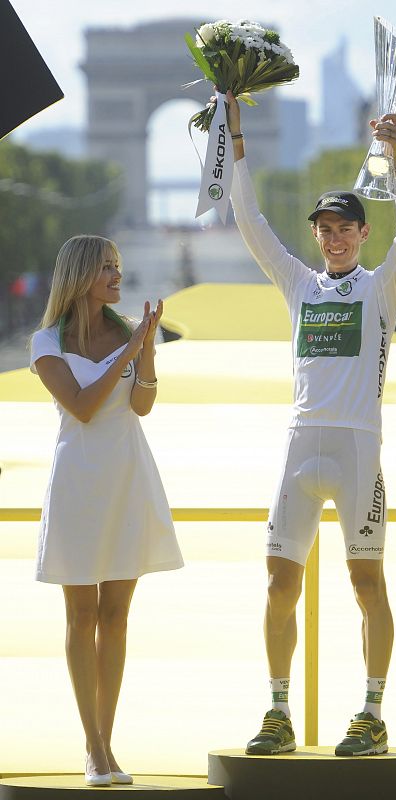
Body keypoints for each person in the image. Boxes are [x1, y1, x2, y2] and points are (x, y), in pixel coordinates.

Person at [225, 90, 396, 756]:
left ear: (363, 233)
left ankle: (371, 713)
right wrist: (237, 141)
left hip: (358, 452)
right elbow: (250, 222)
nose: (334, 236)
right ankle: (278, 713)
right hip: (299, 450)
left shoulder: (380, 287)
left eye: (345, 227)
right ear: (317, 235)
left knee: (367, 585)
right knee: (279, 582)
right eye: (325, 228)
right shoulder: (300, 284)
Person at [30, 235, 183, 785]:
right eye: (107, 268)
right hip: (77, 481)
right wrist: (133, 344)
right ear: (79, 274)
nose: (117, 276)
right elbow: (84, 407)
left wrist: (145, 353)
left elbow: (140, 405)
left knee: (116, 616)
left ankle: (108, 746)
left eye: (119, 266)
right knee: (82, 615)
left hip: (127, 476)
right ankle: (92, 749)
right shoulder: (46, 342)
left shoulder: (129, 331)